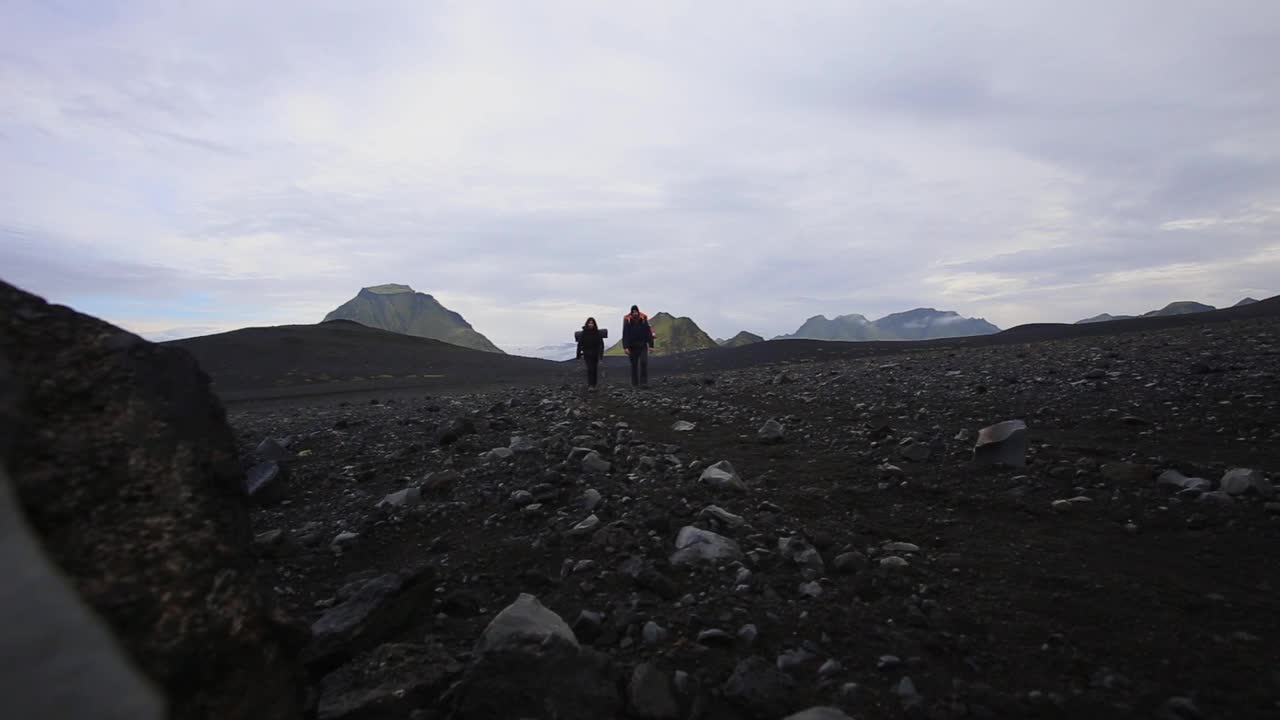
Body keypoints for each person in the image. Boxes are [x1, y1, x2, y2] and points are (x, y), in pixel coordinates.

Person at [621, 304, 654, 387]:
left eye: (636, 311)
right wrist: (625, 347)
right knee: (634, 365)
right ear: (631, 313)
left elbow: (648, 333)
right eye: (633, 312)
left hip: (642, 346)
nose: (635, 313)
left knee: (643, 362)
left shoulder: (643, 321)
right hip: (632, 347)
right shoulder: (628, 322)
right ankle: (634, 384)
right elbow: (625, 335)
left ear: (638, 312)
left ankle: (644, 383)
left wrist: (651, 345)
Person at [576, 317, 605, 390]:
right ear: (587, 324)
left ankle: (594, 384)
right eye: (589, 323)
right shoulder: (584, 333)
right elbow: (580, 344)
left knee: (594, 369)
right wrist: (578, 355)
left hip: (595, 354)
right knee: (590, 369)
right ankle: (590, 385)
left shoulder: (597, 333)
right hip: (587, 354)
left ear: (594, 324)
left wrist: (600, 355)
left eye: (592, 323)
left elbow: (601, 344)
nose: (591, 324)